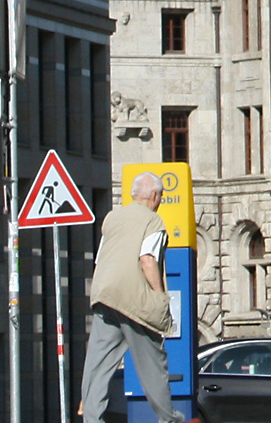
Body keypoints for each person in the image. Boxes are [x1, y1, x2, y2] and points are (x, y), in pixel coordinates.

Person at [80, 172, 198, 423]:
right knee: (152, 364)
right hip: (135, 301)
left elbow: (101, 258)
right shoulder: (153, 221)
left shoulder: (112, 218)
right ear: (155, 196)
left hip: (105, 295)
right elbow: (147, 259)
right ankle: (168, 419)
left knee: (98, 365)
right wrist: (159, 298)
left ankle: (91, 419)